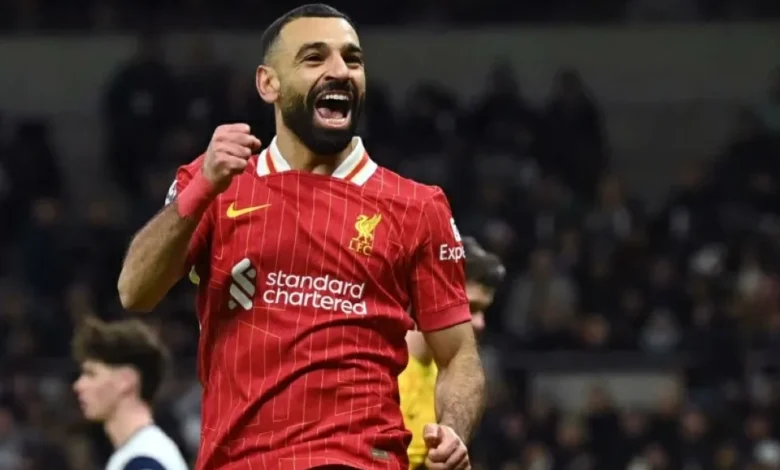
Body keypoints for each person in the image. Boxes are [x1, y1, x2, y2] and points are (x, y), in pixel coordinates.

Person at [117, 4, 485, 470]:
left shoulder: (416, 206)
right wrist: (201, 189)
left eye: (352, 59)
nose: (340, 71)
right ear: (268, 83)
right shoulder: (217, 183)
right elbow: (135, 291)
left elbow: (459, 355)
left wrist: (453, 430)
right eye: (314, 58)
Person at [399, 237, 505, 470]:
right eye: (471, 307)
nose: (480, 323)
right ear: (433, 294)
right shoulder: (380, 364)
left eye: (484, 311)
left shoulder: (455, 383)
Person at [72, 317, 188, 470]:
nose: (78, 385)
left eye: (91, 374)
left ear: (126, 381)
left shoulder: (144, 459)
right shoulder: (138, 452)